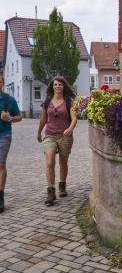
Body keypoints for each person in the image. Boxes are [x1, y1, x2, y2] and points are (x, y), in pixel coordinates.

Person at [37, 76, 77, 206]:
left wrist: (70, 128)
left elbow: (74, 118)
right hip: (50, 135)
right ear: (52, 87)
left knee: (63, 163)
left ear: (63, 86)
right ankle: (51, 191)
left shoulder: (69, 102)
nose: (58, 87)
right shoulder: (47, 101)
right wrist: (39, 132)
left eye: (60, 84)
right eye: (55, 85)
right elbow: (43, 119)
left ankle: (62, 185)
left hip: (65, 136)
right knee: (49, 162)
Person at [0, 75, 22, 213]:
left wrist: (10, 118)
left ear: (2, 83)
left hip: (4, 135)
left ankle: (0, 196)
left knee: (1, 164)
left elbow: (19, 117)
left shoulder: (9, 100)